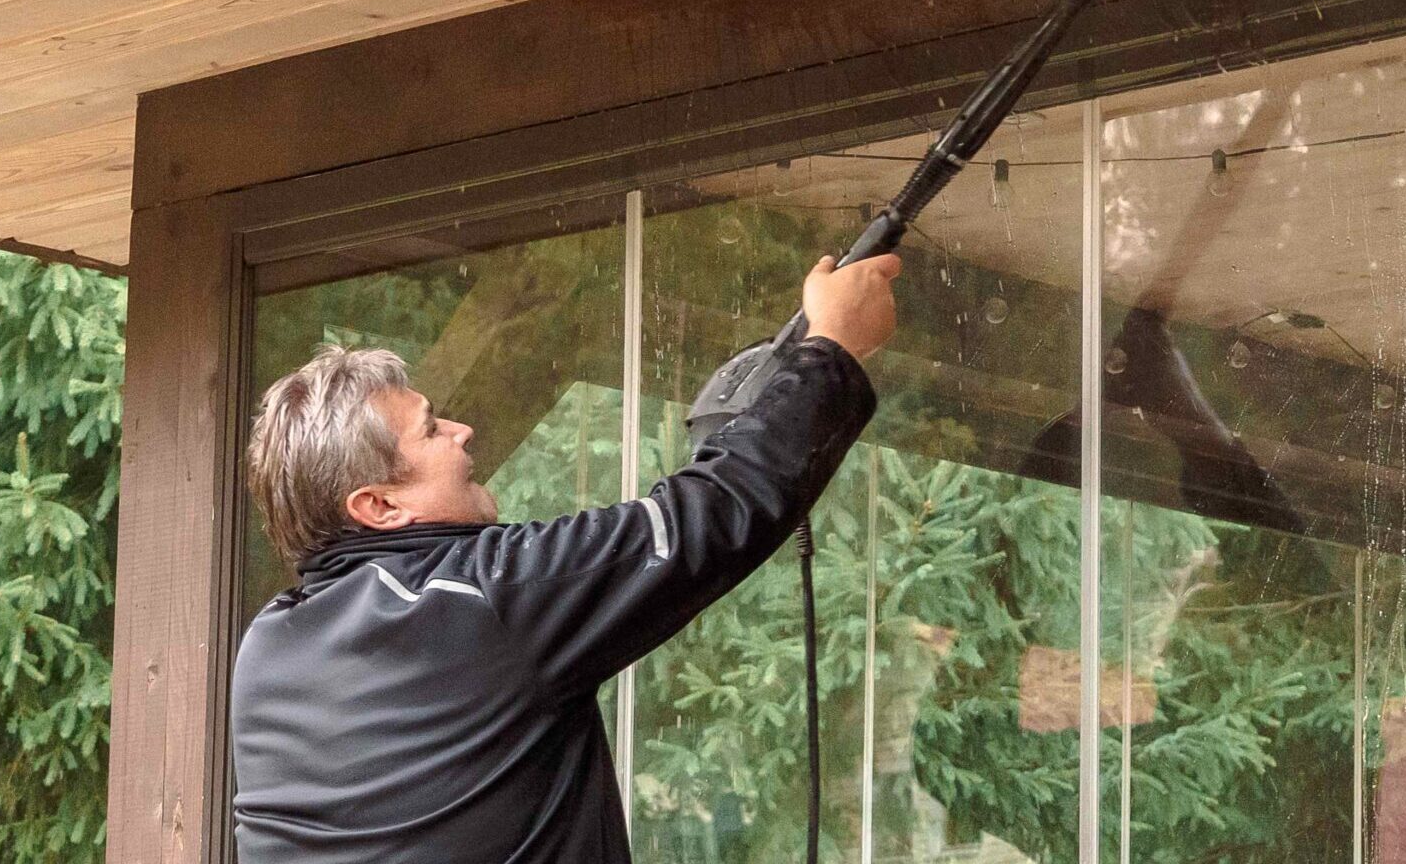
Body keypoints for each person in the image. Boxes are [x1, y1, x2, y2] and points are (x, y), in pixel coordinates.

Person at [230, 253, 903, 863]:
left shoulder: (268, 647)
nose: (464, 431)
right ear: (377, 506)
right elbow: (705, 520)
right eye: (433, 429)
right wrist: (833, 350)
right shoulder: (478, 599)